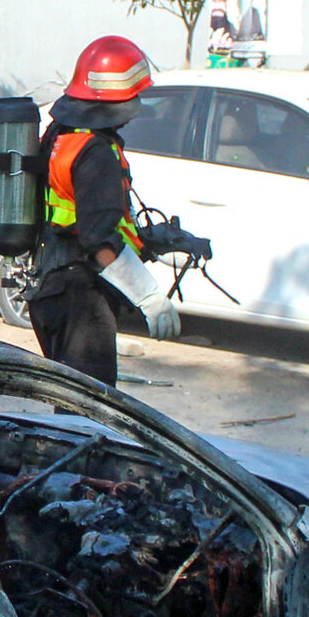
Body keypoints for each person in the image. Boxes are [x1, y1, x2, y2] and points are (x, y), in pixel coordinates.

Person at [28, 36, 185, 386]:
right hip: (80, 298)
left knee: (69, 402)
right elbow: (98, 238)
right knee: (89, 410)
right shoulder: (96, 151)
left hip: (48, 289)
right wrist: (149, 297)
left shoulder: (60, 134)